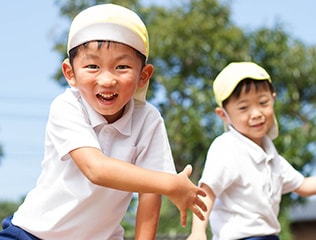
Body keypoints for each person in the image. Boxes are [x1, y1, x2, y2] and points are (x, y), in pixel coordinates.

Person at [0, 4, 207, 240]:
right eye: (92, 66)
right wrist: (171, 184)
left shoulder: (148, 119)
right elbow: (95, 169)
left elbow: (150, 196)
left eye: (122, 67)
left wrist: (164, 186)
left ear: (143, 76)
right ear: (70, 73)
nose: (107, 79)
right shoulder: (67, 106)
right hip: (34, 234)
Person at [187, 62, 316, 240]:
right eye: (243, 108)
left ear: (273, 99)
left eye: (263, 102)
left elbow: (303, 186)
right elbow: (207, 192)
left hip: (269, 236)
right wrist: (197, 232)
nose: (256, 113)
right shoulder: (227, 147)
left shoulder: (271, 155)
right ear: (223, 115)